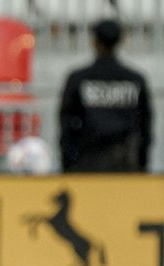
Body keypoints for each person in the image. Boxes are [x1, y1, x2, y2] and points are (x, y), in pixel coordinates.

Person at [58, 19, 153, 173]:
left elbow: (66, 123)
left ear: (94, 41)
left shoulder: (78, 79)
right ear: (121, 41)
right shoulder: (135, 80)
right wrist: (142, 164)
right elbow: (145, 126)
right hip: (126, 163)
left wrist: (68, 164)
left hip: (86, 162)